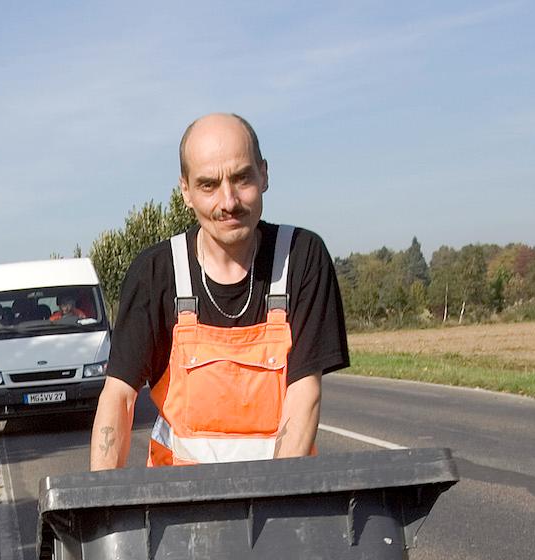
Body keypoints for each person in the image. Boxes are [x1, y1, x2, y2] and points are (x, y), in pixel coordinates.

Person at [89, 113, 347, 469]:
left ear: (264, 174)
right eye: (209, 185)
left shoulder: (301, 257)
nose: (229, 201)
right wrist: (101, 513)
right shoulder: (155, 273)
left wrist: (277, 504)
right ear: (186, 191)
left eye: (242, 178)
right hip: (172, 510)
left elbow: (304, 395)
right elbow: (118, 399)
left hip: (278, 506)